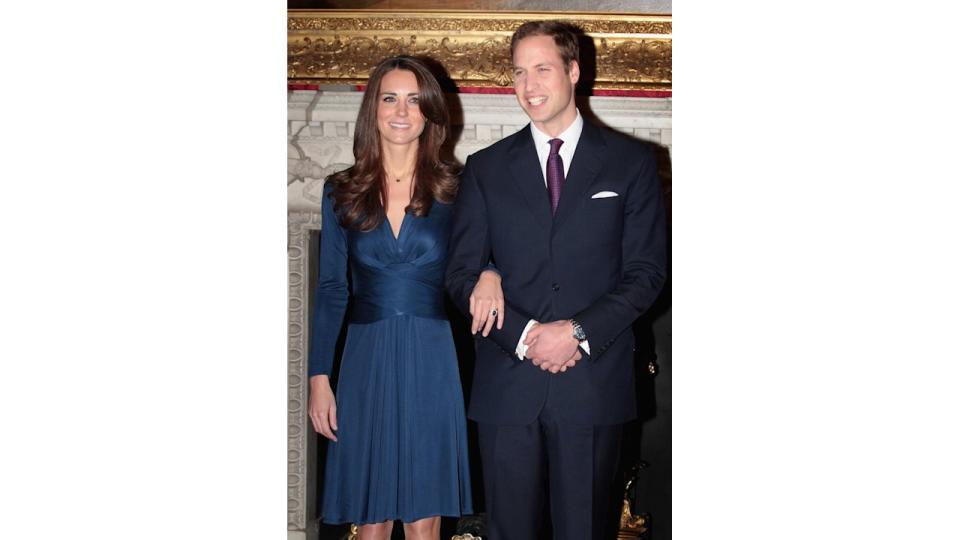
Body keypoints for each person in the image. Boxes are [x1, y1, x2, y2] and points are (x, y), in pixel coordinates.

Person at [445, 21, 667, 540]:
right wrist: (521, 333)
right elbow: (458, 274)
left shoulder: (632, 163)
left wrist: (577, 332)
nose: (529, 86)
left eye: (542, 69)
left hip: (593, 385)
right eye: (518, 73)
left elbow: (647, 272)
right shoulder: (484, 169)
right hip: (507, 387)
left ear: (573, 70)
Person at [307, 55, 504, 540]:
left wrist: (492, 273)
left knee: (424, 519)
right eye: (389, 98)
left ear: (430, 112)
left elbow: (490, 251)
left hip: (432, 357)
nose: (401, 111)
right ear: (372, 109)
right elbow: (333, 288)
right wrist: (318, 378)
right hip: (364, 359)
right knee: (369, 518)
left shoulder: (457, 189)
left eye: (414, 100)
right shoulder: (341, 191)